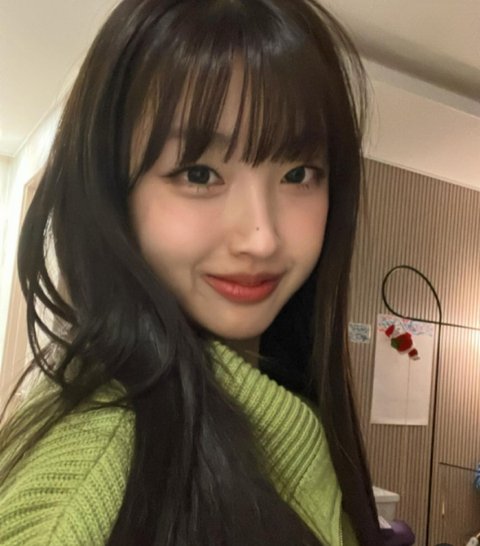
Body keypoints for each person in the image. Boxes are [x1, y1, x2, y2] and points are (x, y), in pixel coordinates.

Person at [0, 0, 383, 544]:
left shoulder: (292, 413)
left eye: (299, 173)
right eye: (199, 174)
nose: (261, 238)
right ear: (112, 193)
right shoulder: (86, 486)